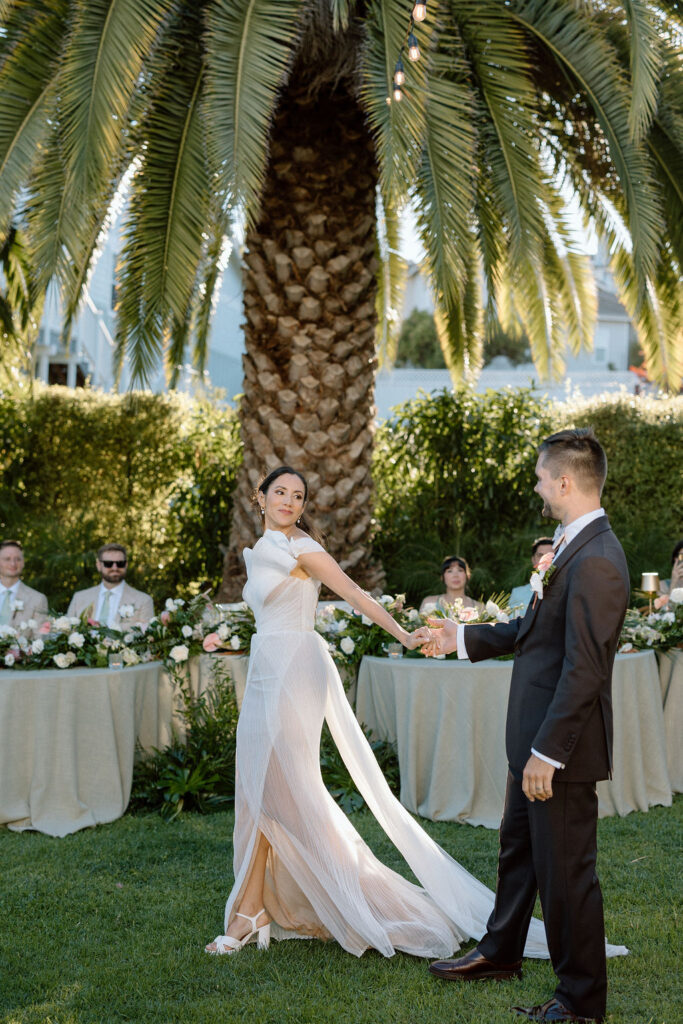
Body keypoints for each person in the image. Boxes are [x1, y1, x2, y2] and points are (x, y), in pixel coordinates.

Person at [205, 466, 562, 960]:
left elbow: (352, 593)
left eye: (299, 495)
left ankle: (289, 907)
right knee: (257, 787)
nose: (289, 501)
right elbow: (272, 610)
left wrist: (403, 634)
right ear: (259, 497)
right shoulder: (259, 551)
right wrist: (230, 642)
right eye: (280, 492)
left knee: (282, 791)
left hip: (295, 669)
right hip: (267, 665)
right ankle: (255, 910)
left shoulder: (300, 547)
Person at [416, 428, 630, 1024]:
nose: (537, 486)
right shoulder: (567, 545)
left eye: (541, 477)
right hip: (532, 743)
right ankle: (500, 951)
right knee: (520, 854)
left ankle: (581, 1001)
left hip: (555, 752)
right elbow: (529, 634)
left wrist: (547, 754)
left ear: (564, 482)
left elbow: (585, 670)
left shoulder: (599, 562)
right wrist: (459, 636)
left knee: (567, 878)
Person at [67, 543, 154, 627]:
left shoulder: (143, 601)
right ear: (98, 565)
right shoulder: (79, 598)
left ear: (126, 565)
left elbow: (147, 638)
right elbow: (64, 633)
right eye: (108, 563)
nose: (115, 568)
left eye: (120, 563)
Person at [0, 540, 48, 629]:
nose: (13, 563)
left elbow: (40, 638)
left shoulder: (38, 600)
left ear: (23, 563)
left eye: (18, 559)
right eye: (7, 559)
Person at [419, 555, 483, 614]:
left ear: (467, 576)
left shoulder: (480, 608)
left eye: (460, 570)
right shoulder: (429, 603)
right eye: (450, 571)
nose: (455, 575)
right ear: (442, 577)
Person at [509, 537, 554, 617]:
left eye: (549, 555)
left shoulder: (564, 591)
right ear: (533, 559)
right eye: (540, 555)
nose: (544, 559)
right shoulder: (517, 593)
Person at [654, 539, 683, 609]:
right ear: (675, 559)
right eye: (682, 556)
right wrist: (673, 583)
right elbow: (663, 613)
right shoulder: (662, 586)